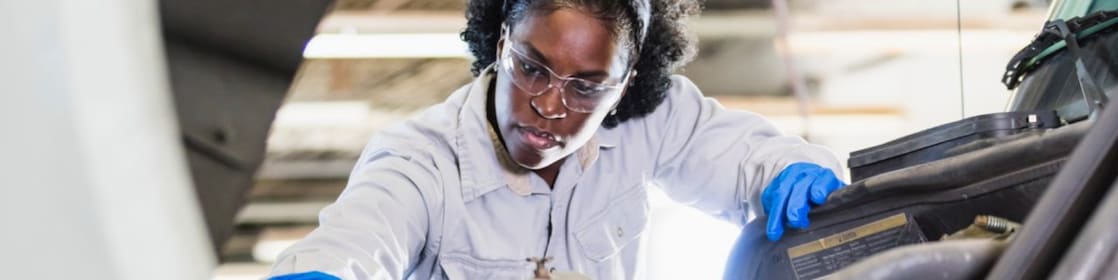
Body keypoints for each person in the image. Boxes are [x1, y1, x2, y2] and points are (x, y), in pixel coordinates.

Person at [268, 0, 845, 279]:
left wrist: (789, 174)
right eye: (532, 68)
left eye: (588, 87)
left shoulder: (654, 121)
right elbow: (357, 241)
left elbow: (750, 159)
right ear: (499, 44)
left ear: (625, 87)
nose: (549, 106)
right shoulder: (423, 162)